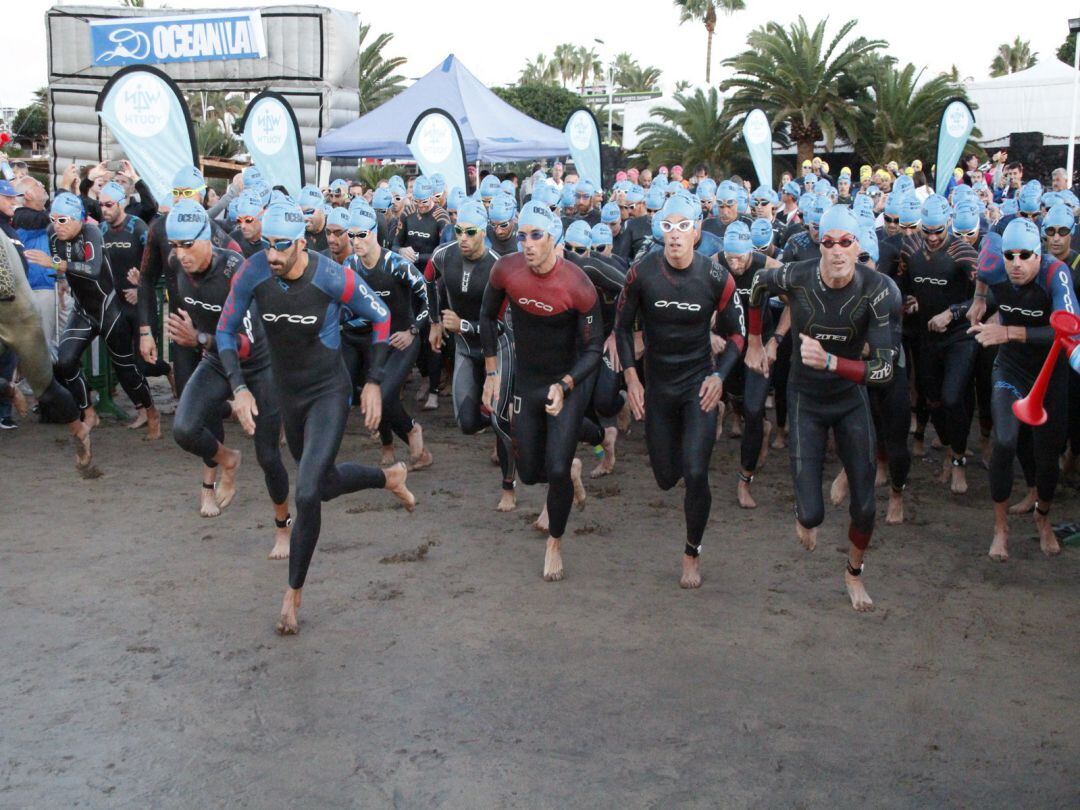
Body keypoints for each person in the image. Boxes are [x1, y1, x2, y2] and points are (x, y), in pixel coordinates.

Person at [217, 201, 415, 635]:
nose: (271, 254)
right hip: (287, 392)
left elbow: (380, 318)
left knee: (307, 492)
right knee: (321, 484)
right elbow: (225, 329)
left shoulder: (330, 276)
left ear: (301, 243)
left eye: (281, 245)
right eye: (267, 244)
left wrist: (374, 381)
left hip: (328, 391)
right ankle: (389, 478)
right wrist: (239, 386)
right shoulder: (253, 273)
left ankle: (292, 595)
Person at [746, 204, 895, 612]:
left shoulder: (879, 289)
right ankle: (805, 513)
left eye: (846, 242)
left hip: (849, 399)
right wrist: (755, 341)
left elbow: (884, 371)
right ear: (820, 244)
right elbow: (759, 282)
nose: (836, 250)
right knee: (811, 515)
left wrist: (832, 361)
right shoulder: (798, 275)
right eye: (828, 242)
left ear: (858, 245)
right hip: (805, 399)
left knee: (865, 506)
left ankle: (854, 573)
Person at [614, 193, 745, 587]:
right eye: (667, 227)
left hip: (698, 386)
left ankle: (692, 554)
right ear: (660, 231)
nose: (674, 236)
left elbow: (740, 335)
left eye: (683, 227)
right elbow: (621, 328)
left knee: (695, 472)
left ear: (697, 232)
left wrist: (719, 377)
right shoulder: (642, 272)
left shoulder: (716, 277)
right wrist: (632, 378)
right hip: (658, 387)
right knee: (666, 477)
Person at [479, 201, 600, 582]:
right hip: (527, 381)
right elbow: (487, 316)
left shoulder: (577, 284)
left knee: (557, 467)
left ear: (554, 239)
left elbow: (594, 348)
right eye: (522, 235)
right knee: (530, 472)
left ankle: (555, 544)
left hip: (567, 381)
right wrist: (492, 372)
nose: (526, 243)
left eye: (536, 236)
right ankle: (570, 471)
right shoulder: (507, 270)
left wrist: (566, 386)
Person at [163, 201, 292, 556]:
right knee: (185, 429)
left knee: (269, 457)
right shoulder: (179, 268)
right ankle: (227, 459)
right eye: (175, 245)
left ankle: (284, 527)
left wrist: (201, 341)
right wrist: (199, 341)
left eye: (188, 244)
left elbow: (246, 343)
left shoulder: (235, 272)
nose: (181, 253)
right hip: (217, 360)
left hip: (260, 366)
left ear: (208, 238)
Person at [967, 222, 1076, 561]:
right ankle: (1001, 528)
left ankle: (1043, 517)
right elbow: (984, 262)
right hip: (1011, 370)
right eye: (1010, 255)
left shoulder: (1054, 274)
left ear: (1038, 254)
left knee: (1047, 459)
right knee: (1003, 443)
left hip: (1049, 374)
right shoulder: (995, 263)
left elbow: (1069, 329)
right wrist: (979, 299)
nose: (1016, 263)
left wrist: (1009, 331)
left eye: (1025, 255)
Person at [25, 193, 160, 436]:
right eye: (54, 218)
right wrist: (63, 278)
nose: (57, 225)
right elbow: (63, 262)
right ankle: (89, 411)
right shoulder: (51, 233)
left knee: (126, 368)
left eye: (64, 220)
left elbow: (93, 268)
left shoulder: (92, 233)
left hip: (108, 309)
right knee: (65, 361)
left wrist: (56, 266)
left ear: (78, 219)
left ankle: (151, 411)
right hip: (83, 310)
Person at [428, 201, 517, 508]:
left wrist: (462, 323)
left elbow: (501, 327)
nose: (462, 237)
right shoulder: (445, 254)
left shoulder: (497, 267)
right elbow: (428, 277)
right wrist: (435, 322)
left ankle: (508, 488)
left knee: (501, 420)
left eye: (470, 232)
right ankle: (498, 420)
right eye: (458, 230)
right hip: (466, 348)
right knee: (467, 423)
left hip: (499, 347)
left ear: (484, 233)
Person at [898, 195, 979, 493]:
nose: (932, 238)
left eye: (938, 231)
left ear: (949, 224)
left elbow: (984, 297)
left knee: (953, 397)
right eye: (926, 231)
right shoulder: (910, 249)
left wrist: (953, 312)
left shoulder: (963, 252)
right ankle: (948, 448)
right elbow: (903, 288)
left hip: (959, 337)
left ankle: (958, 461)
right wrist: (911, 301)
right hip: (926, 337)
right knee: (932, 401)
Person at [138, 166, 242, 398]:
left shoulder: (214, 233)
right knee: (187, 401)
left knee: (221, 403)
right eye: (177, 192)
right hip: (182, 326)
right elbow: (146, 280)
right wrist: (146, 332)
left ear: (201, 195)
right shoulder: (160, 229)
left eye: (187, 193)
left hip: (214, 329)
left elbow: (241, 280)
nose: (180, 199)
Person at [344, 202, 434, 470]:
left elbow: (428, 296)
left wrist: (413, 330)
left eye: (362, 235)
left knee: (383, 395)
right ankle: (392, 444)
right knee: (375, 394)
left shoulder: (396, 265)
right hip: (375, 341)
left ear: (376, 233)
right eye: (352, 235)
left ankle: (413, 432)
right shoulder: (350, 265)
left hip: (403, 340)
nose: (356, 241)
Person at [0, 222, 92, 467]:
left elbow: (4, 283)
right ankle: (8, 389)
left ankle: (79, 430)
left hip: (19, 318)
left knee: (45, 388)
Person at [715, 221, 782, 508]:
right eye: (730, 258)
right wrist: (708, 335)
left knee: (754, 409)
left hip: (760, 342)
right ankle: (760, 430)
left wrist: (776, 341)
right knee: (737, 401)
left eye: (740, 258)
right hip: (730, 342)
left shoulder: (768, 267)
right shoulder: (713, 265)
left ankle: (745, 481)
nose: (735, 264)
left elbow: (795, 301)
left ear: (750, 252)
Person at [98, 181, 172, 425]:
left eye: (109, 204)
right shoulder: (100, 231)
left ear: (121, 204)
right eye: (101, 205)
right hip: (116, 303)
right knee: (121, 361)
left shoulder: (137, 226)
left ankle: (167, 370)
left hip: (139, 303)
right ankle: (143, 409)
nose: (104, 210)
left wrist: (141, 287)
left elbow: (158, 265)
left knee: (142, 361)